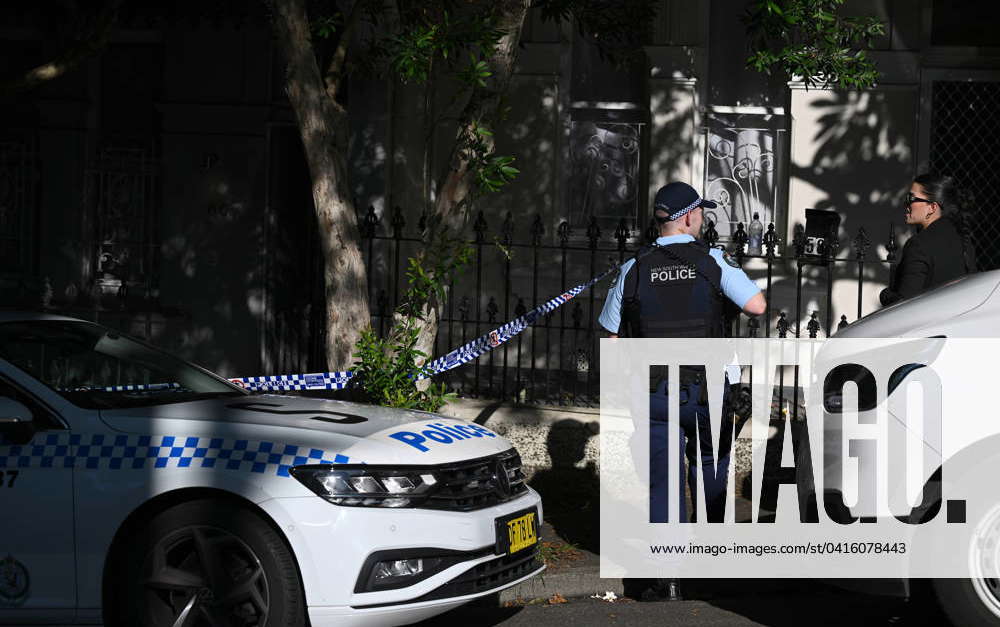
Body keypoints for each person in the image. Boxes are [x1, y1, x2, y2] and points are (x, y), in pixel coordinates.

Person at [599, 181, 765, 600]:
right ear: (689, 216)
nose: (702, 220)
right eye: (700, 214)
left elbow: (612, 339)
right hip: (708, 391)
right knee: (710, 470)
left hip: (655, 392)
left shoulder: (633, 268)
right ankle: (711, 571)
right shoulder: (713, 262)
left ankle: (667, 578)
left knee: (664, 483)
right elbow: (757, 306)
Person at [880, 173, 977, 306]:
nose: (906, 204)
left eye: (911, 198)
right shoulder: (964, 240)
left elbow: (904, 305)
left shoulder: (919, 245)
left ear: (932, 208)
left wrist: (885, 295)